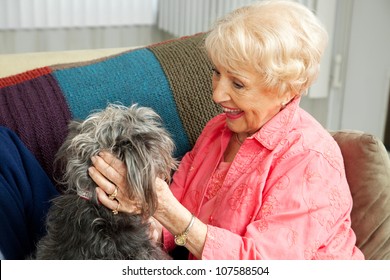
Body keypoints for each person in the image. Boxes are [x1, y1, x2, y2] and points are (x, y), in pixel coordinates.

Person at [89, 0, 364, 259]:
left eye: (238, 84)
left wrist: (161, 206)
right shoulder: (217, 130)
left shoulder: (310, 159)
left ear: (286, 89)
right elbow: (173, 221)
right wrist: (141, 216)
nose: (217, 95)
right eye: (217, 72)